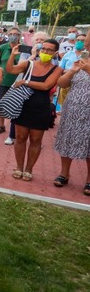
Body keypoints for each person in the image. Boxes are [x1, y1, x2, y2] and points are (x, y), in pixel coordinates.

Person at [6, 39, 63, 181]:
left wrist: (25, 82)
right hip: (23, 106)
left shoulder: (57, 69)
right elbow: (11, 70)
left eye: (49, 50)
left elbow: (46, 86)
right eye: (43, 48)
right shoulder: (29, 64)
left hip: (41, 107)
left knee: (36, 140)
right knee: (20, 138)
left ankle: (29, 169)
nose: (45, 52)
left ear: (55, 53)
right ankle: (19, 167)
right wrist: (13, 55)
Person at [53, 46, 90, 195]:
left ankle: (89, 180)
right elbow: (61, 83)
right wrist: (72, 71)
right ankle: (64, 174)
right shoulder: (79, 63)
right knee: (67, 140)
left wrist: (88, 69)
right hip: (72, 110)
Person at [0, 27, 21, 145]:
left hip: (18, 81)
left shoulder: (23, 48)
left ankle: (14, 128)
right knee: (1, 103)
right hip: (4, 81)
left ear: (19, 36)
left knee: (16, 106)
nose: (12, 36)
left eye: (15, 34)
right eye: (10, 34)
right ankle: (1, 125)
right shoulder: (3, 47)